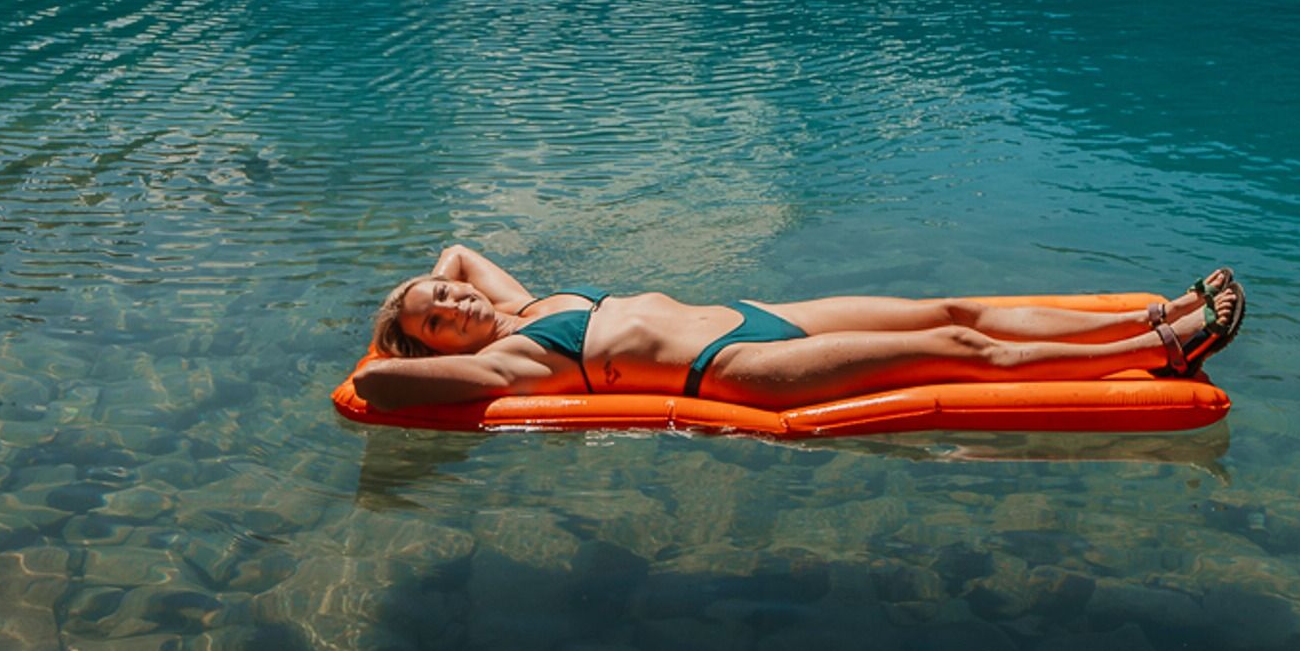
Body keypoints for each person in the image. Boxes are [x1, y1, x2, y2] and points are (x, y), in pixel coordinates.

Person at [355, 242, 1244, 414]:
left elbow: (460, 248)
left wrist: (418, 297)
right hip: (730, 367)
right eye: (438, 319)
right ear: (440, 349)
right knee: (960, 352)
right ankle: (1163, 349)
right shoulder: (509, 363)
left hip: (756, 316)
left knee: (952, 307)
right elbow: (375, 383)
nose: (456, 301)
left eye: (443, 295)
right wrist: (389, 347)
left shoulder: (519, 304)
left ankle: (1150, 311)